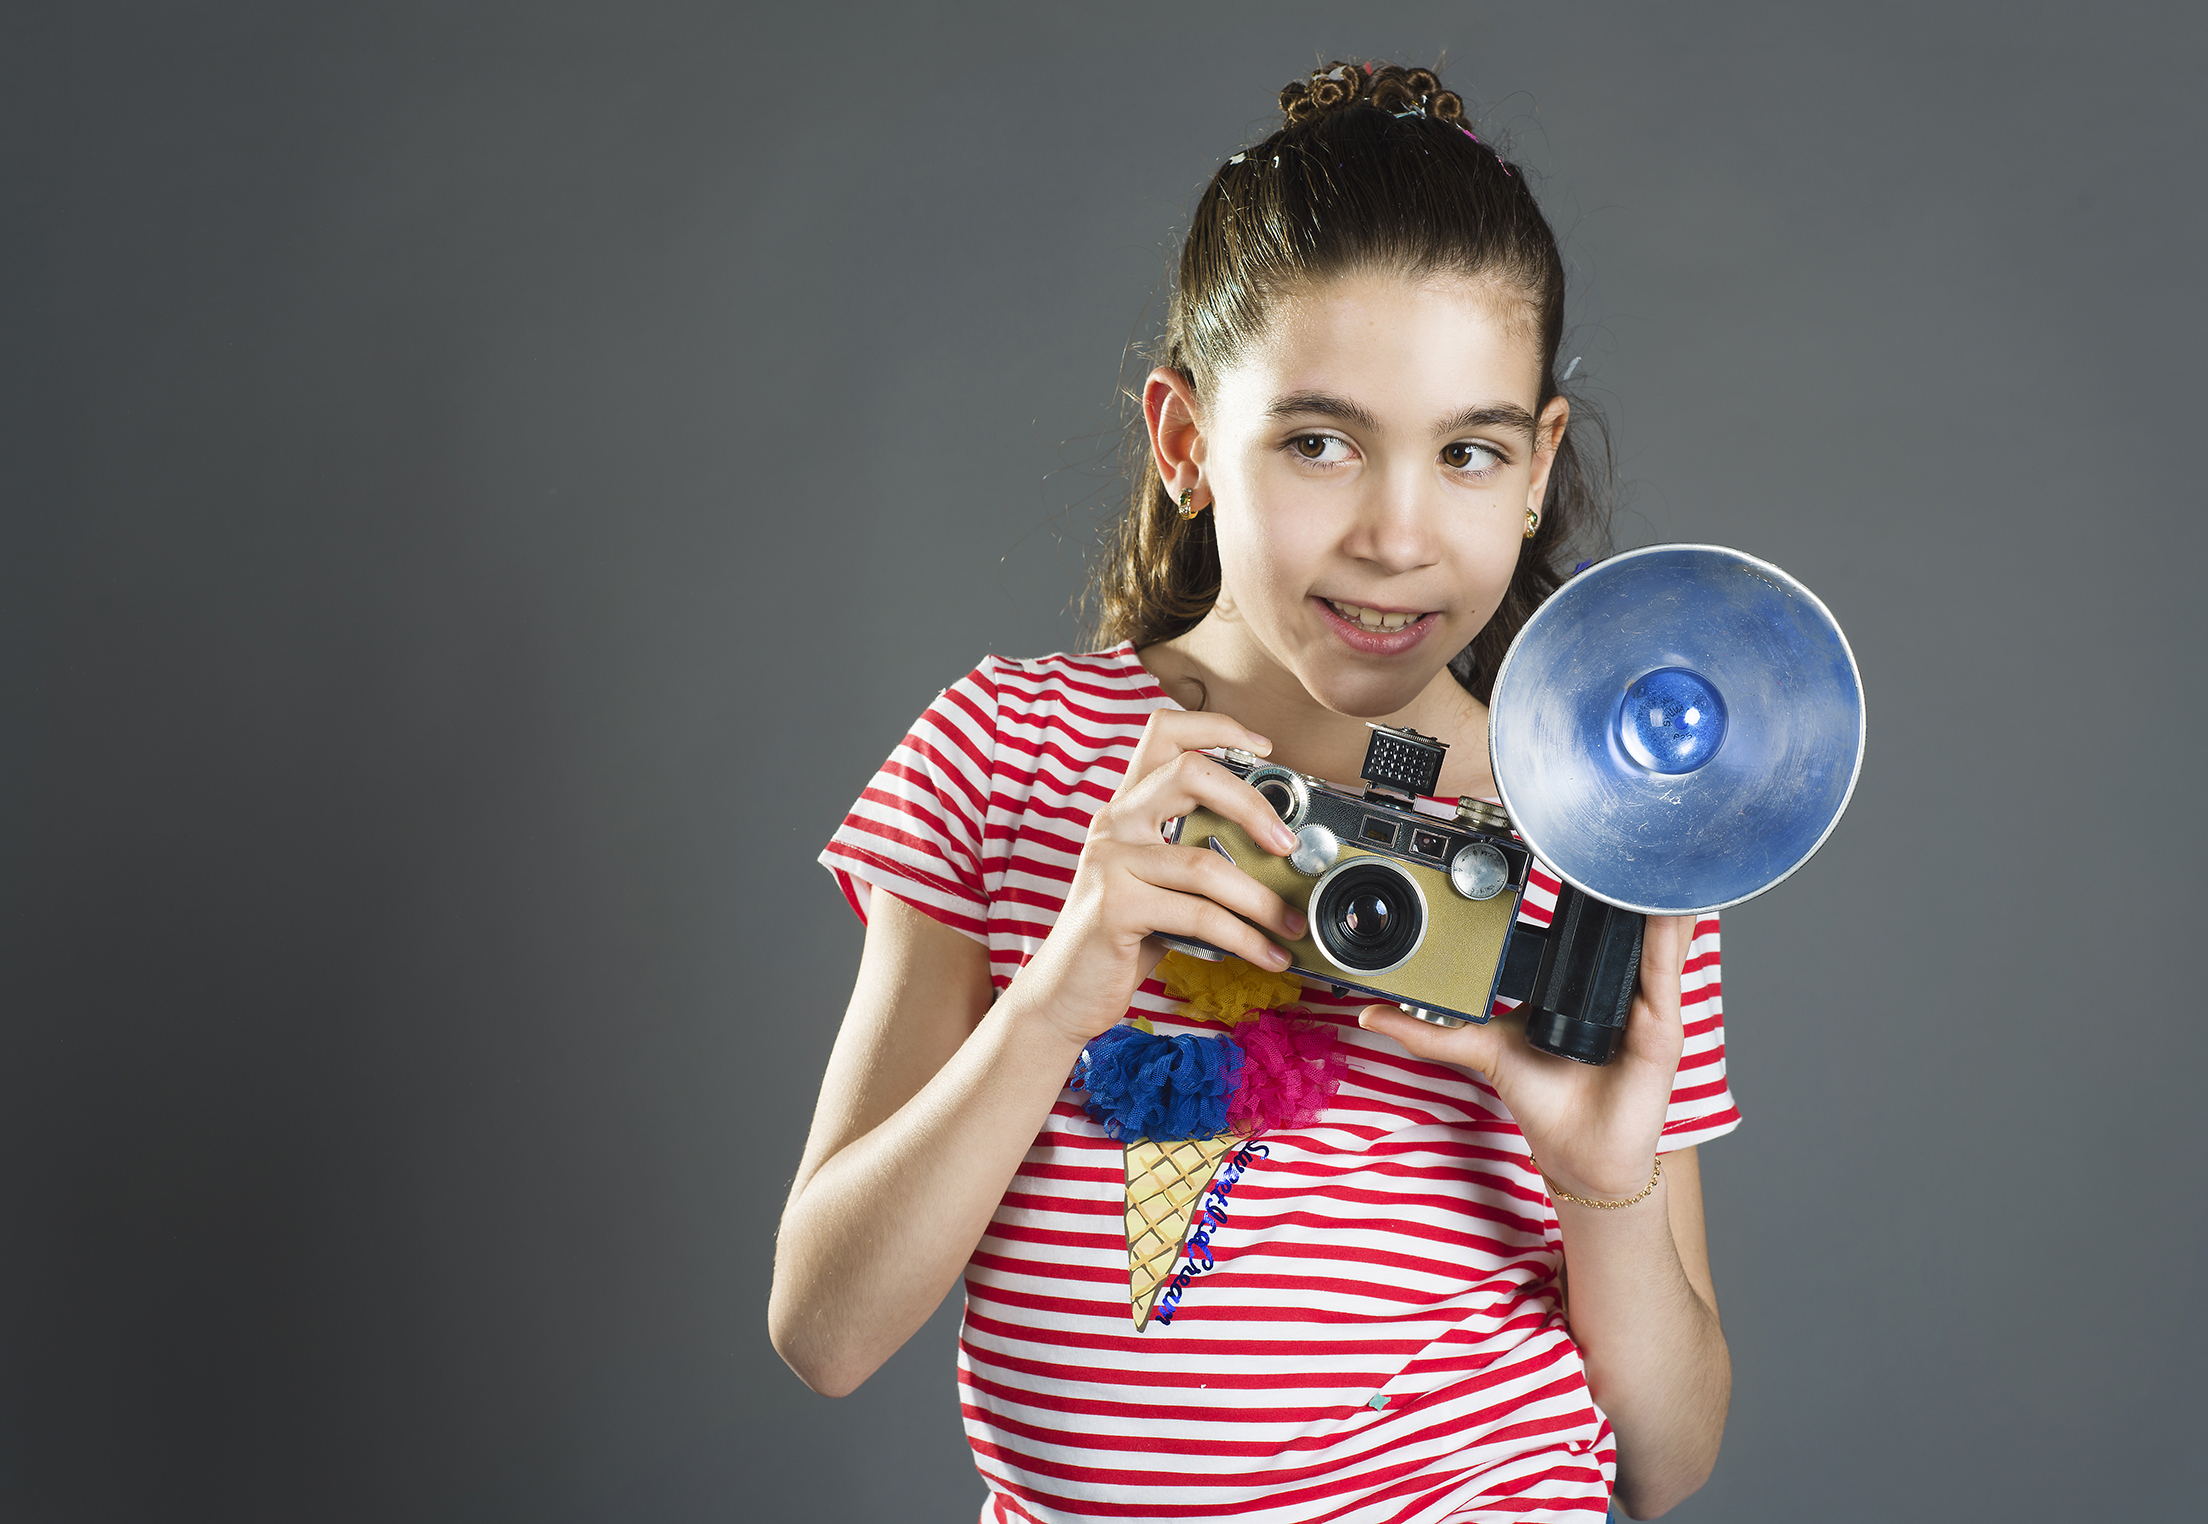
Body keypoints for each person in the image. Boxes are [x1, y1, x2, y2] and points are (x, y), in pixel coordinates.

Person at [771, 60, 1736, 1524]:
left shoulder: (1603, 832)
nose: (1399, 534)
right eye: (1319, 440)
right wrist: (1056, 999)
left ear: (1536, 469)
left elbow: (1663, 1465)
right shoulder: (1008, 755)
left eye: (1468, 451)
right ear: (1184, 442)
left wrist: (1601, 1181)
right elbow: (825, 1331)